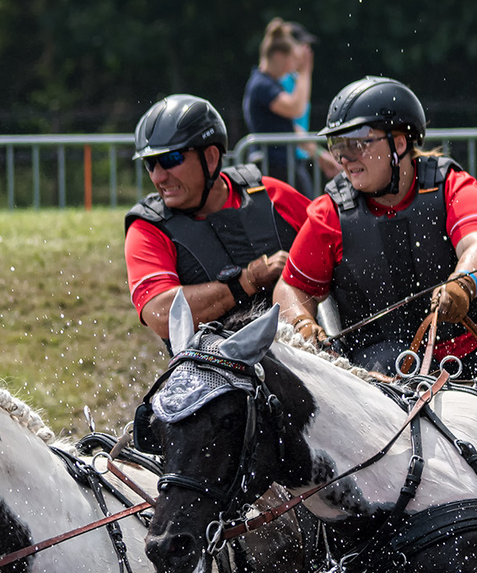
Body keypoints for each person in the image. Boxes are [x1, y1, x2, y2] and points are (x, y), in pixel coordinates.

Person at [275, 76, 477, 379]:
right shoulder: (328, 213)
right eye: (338, 146)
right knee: (388, 384)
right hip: (386, 356)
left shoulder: (454, 186)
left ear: (398, 143)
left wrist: (463, 285)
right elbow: (291, 286)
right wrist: (302, 322)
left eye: (358, 144)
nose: (345, 158)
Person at [124, 94, 311, 340]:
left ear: (210, 158)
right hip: (211, 369)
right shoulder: (147, 229)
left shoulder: (272, 194)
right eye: (150, 164)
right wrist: (248, 280)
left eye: (170, 160)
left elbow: (337, 247)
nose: (158, 177)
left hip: (304, 351)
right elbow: (163, 315)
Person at [242, 19, 311, 189]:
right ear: (279, 55)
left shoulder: (270, 84)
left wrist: (321, 156)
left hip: (282, 166)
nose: (293, 67)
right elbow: (296, 109)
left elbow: (290, 128)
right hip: (275, 168)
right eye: (293, 59)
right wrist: (304, 73)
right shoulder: (262, 85)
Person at [279, 22, 340, 193]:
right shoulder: (282, 81)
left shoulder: (295, 79)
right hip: (285, 162)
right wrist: (320, 155)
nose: (308, 51)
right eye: (302, 45)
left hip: (296, 160)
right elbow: (293, 124)